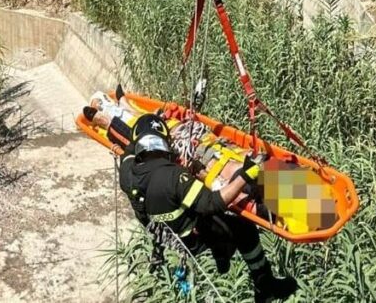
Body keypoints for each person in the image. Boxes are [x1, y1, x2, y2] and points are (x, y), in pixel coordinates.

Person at [118, 113, 299, 303]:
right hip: (192, 239)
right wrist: (245, 176)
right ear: (165, 143)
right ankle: (264, 284)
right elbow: (214, 203)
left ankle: (224, 256)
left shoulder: (128, 173)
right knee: (245, 230)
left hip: (166, 237)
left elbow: (128, 151)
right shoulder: (174, 177)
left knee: (219, 218)